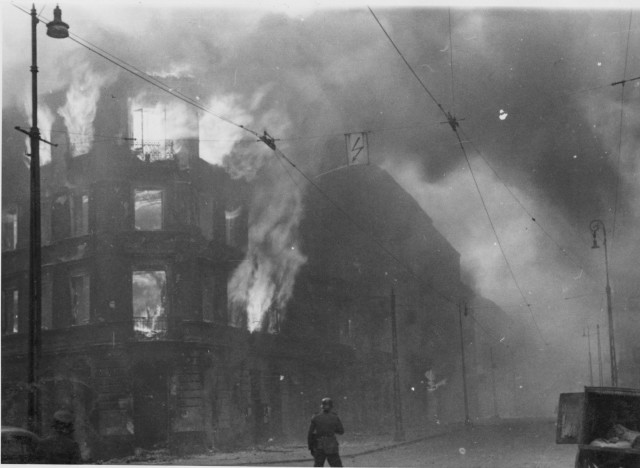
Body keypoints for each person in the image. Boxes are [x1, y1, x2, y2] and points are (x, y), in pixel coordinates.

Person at [307, 397, 344, 467]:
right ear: (331, 407)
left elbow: (310, 434)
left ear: (322, 407)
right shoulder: (335, 417)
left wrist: (310, 447)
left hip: (319, 445)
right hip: (332, 445)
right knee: (337, 466)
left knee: (318, 465)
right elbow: (341, 431)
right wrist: (332, 429)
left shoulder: (316, 417)